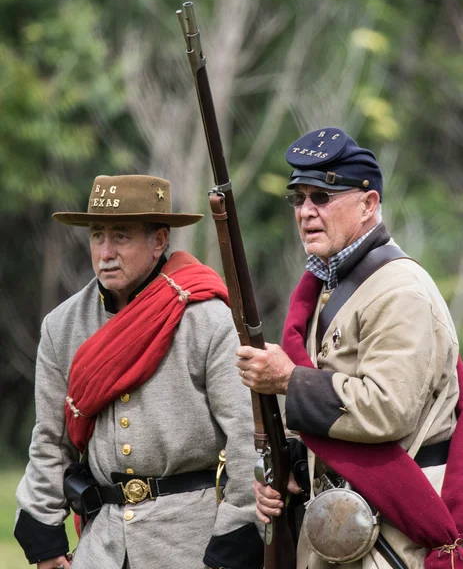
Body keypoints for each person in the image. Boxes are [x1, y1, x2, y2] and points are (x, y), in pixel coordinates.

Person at [236, 128, 461, 569]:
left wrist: (289, 380)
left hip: (394, 533)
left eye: (322, 196)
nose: (305, 211)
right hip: (348, 522)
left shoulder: (400, 291)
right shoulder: (332, 285)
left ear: (368, 204)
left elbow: (387, 408)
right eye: (298, 198)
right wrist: (298, 468)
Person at [15, 174, 264, 569]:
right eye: (98, 235)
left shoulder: (208, 321)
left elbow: (246, 443)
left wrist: (234, 539)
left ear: (159, 241)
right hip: (102, 548)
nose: (106, 252)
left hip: (191, 545)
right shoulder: (62, 326)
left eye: (122, 236)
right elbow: (50, 441)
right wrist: (43, 537)